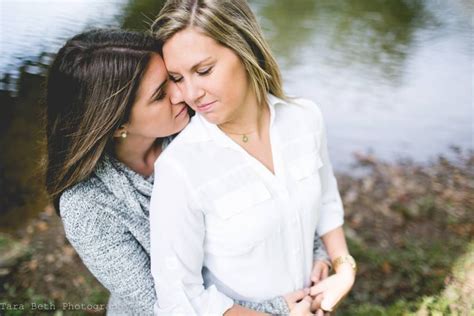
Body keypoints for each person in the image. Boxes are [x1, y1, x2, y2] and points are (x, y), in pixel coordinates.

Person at [44, 29, 330, 315]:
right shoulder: (87, 206)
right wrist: (276, 309)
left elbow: (278, 193)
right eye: (160, 95)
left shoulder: (200, 127)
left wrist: (318, 251)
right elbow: (161, 303)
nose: (184, 94)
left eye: (172, 78)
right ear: (117, 124)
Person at [149, 0, 357, 315]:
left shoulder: (305, 117)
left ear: (245, 49)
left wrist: (343, 267)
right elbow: (179, 297)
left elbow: (326, 200)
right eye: (177, 78)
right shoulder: (180, 167)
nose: (191, 93)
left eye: (203, 71)